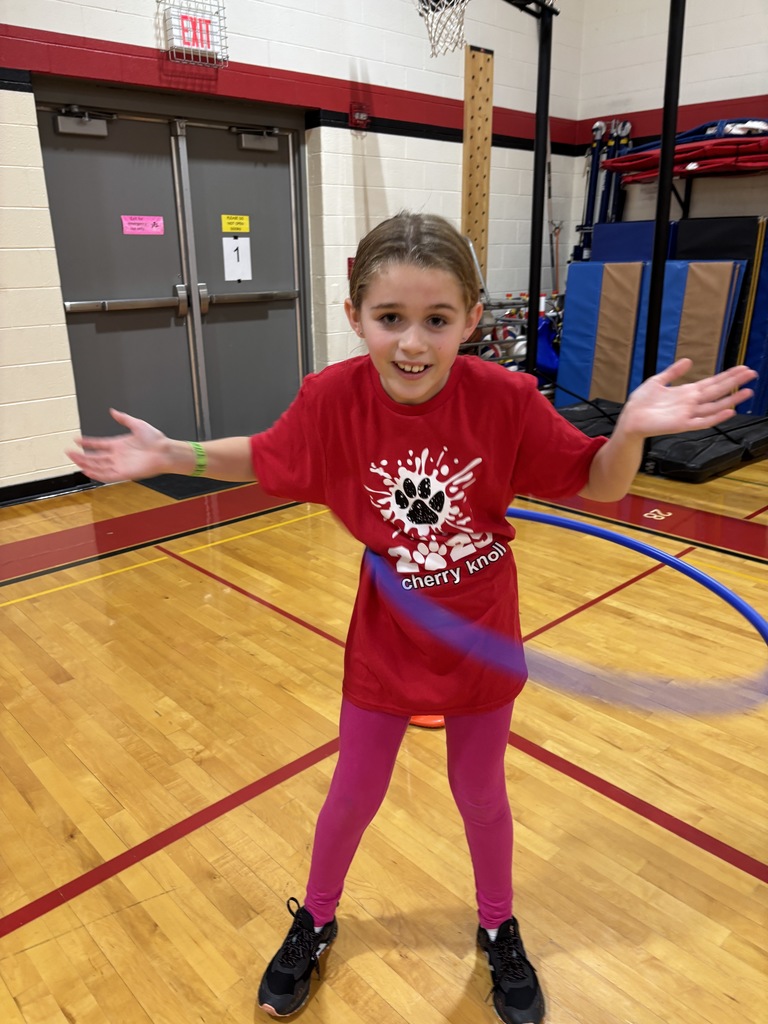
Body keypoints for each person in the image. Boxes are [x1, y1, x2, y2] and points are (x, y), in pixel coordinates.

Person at [67, 211, 757, 1024]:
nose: (412, 344)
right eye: (390, 317)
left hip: (481, 638)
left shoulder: (505, 399)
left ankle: (498, 926)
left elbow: (599, 483)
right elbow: (268, 455)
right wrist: (174, 455)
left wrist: (630, 432)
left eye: (437, 319)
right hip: (387, 639)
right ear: (355, 315)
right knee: (354, 791)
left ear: (472, 319)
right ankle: (316, 918)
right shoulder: (332, 399)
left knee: (481, 795)